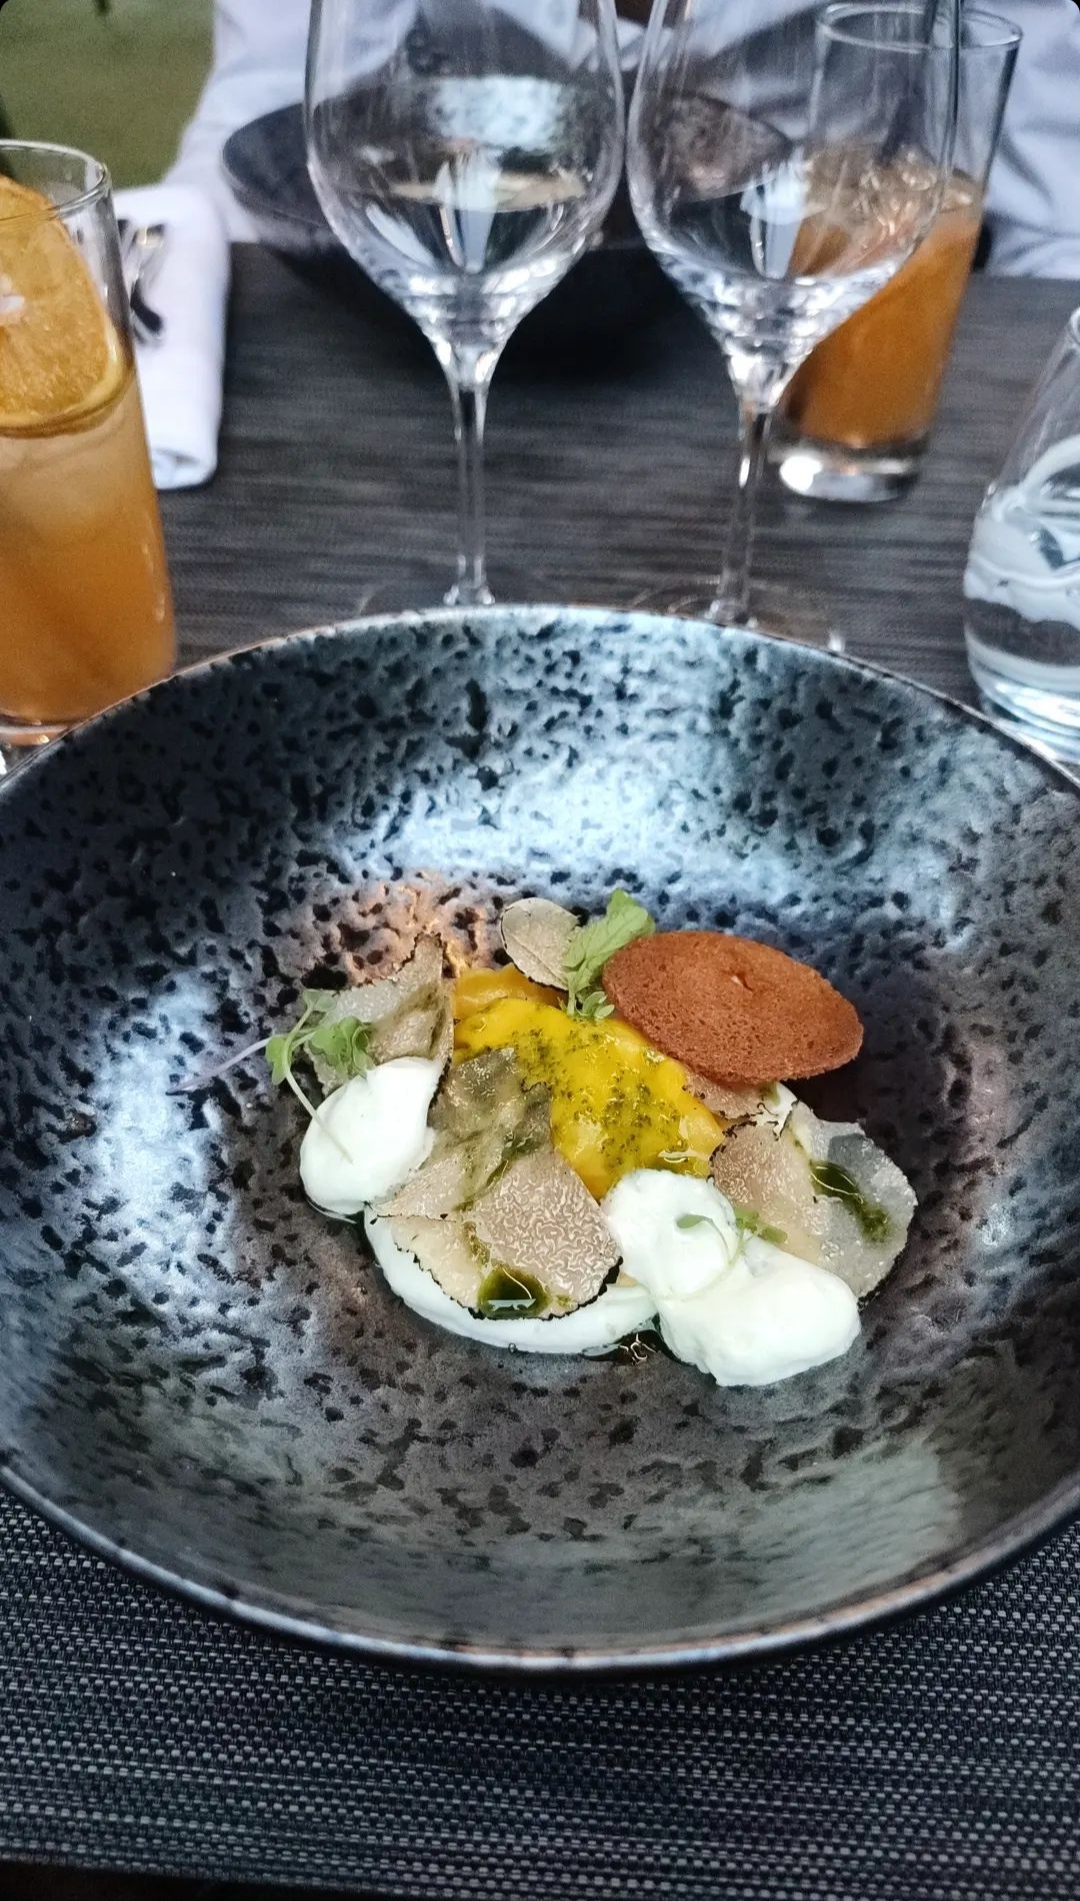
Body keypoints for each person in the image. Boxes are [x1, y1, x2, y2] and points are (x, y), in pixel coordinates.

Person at [169, 0, 1080, 276]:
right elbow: (266, 116)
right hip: (441, 278)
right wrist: (166, 294)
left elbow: (1050, 221)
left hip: (793, 299)